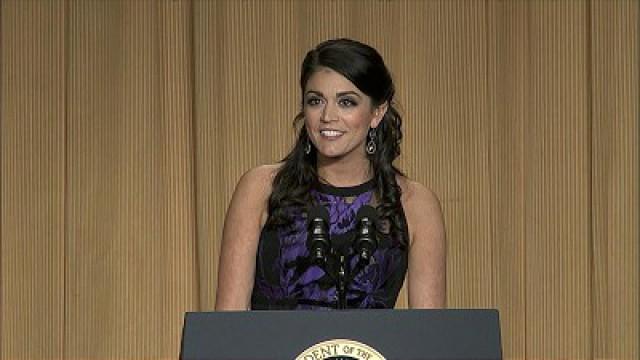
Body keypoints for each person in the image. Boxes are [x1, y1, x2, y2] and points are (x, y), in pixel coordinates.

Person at [215, 38, 446, 310]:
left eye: (346, 102)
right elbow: (227, 326)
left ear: (377, 112)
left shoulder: (414, 203)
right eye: (316, 101)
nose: (328, 116)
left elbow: (429, 336)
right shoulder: (261, 188)